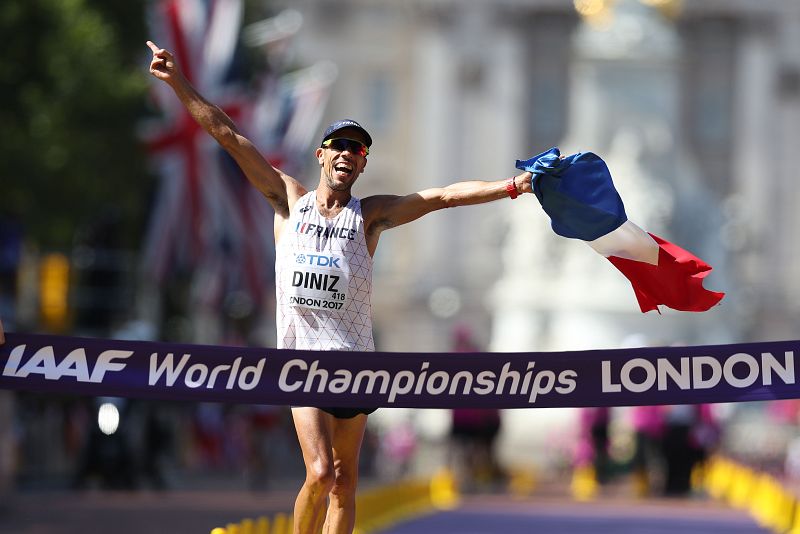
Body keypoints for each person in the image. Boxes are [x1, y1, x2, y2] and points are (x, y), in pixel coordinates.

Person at [147, 40, 533, 534]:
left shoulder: (369, 215)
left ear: (363, 164)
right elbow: (227, 135)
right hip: (302, 359)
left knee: (345, 481)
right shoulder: (289, 201)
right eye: (341, 146)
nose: (349, 154)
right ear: (322, 154)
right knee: (319, 471)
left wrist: (511, 186)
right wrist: (177, 81)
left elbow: (442, 197)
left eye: (358, 149)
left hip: (355, 359)